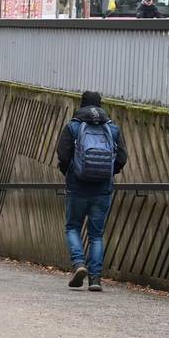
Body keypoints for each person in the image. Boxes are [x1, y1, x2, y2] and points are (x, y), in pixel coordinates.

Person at [56, 91, 128, 292]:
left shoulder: (73, 127)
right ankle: (95, 279)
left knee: (72, 228)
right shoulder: (112, 129)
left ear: (82, 105)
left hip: (77, 188)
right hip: (102, 190)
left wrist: (70, 172)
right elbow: (122, 157)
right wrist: (108, 172)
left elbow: (62, 155)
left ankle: (79, 264)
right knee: (96, 235)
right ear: (100, 106)